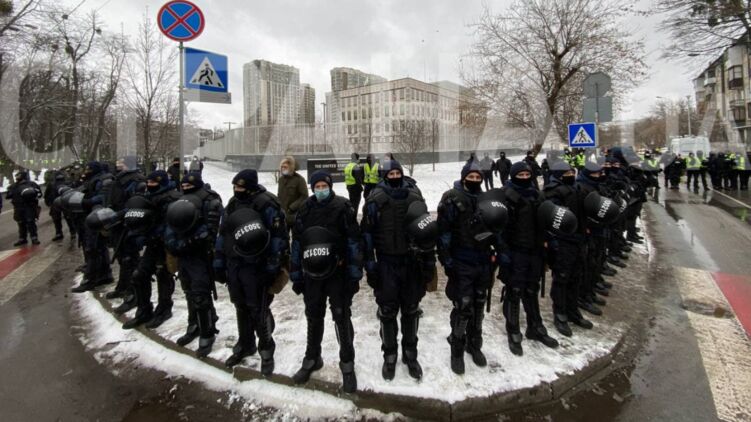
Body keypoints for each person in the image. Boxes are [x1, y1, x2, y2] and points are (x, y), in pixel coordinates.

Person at [361, 160, 436, 380]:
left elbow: (426, 230)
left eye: (397, 173)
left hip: (411, 262)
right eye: (391, 173)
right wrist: (370, 265)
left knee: (411, 310)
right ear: (385, 175)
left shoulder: (414, 196)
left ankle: (410, 354)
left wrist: (428, 261)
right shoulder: (375, 199)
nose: (395, 176)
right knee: (387, 311)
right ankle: (390, 354)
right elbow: (366, 235)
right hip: (386, 263)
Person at [289, 171, 362, 393]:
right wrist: (296, 274)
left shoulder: (343, 207)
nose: (321, 189)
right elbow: (297, 244)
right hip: (312, 274)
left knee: (341, 316)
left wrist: (354, 274)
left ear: (330, 186)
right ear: (312, 188)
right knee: (313, 315)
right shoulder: (305, 209)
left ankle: (347, 363)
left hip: (338, 273)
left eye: (324, 186)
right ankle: (312, 357)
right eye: (317, 186)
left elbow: (353, 242)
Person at [213, 169, 288, 375]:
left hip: (257, 266)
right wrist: (219, 262)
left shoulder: (267, 204)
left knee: (258, 308)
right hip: (234, 264)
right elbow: (223, 234)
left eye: (241, 187)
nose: (237, 190)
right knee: (240, 305)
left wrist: (272, 267)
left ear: (251, 187)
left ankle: (266, 348)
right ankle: (245, 344)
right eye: (235, 187)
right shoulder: (233, 204)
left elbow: (279, 238)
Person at [437, 160, 503, 374]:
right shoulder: (451, 198)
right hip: (461, 260)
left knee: (479, 303)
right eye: (471, 177)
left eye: (478, 177)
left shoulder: (486, 199)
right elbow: (444, 232)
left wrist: (499, 250)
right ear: (464, 177)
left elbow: (497, 228)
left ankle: (475, 345)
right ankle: (457, 348)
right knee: (464, 305)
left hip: (483, 260)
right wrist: (447, 260)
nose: (474, 180)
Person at [498, 162, 558, 356]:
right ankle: (513, 330)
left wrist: (549, 241)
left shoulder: (537, 195)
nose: (524, 178)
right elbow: (498, 227)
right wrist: (503, 251)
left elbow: (546, 221)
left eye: (527, 174)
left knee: (532, 289)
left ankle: (535, 326)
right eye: (520, 175)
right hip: (515, 252)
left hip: (535, 250)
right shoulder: (506, 195)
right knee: (514, 291)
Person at [165, 171, 223, 357]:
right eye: (184, 185)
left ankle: (207, 331)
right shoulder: (180, 200)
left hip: (200, 254)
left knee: (200, 293)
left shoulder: (210, 200)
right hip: (183, 253)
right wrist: (174, 244)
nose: (186, 188)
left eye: (189, 185)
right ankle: (194, 324)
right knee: (188, 290)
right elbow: (171, 224)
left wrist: (192, 241)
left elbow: (211, 230)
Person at [121, 170, 180, 329]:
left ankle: (164, 309)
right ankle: (144, 310)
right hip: (151, 244)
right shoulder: (147, 196)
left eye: (153, 183)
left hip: (164, 244)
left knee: (163, 276)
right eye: (148, 182)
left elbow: (171, 223)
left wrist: (155, 234)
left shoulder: (172, 199)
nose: (150, 185)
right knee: (139, 275)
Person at [543, 161, 593, 337]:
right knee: (562, 279)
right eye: (566, 173)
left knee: (576, 277)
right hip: (563, 242)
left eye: (572, 172)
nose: (570, 175)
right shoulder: (552, 192)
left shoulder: (579, 189)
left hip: (579, 240)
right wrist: (553, 241)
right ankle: (560, 314)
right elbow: (550, 219)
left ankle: (573, 311)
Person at [103, 156, 146, 306]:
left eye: (121, 163)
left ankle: (132, 292)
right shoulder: (120, 178)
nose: (118, 164)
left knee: (130, 259)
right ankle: (122, 287)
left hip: (128, 223)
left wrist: (121, 215)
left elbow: (137, 202)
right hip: (118, 223)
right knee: (122, 258)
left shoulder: (135, 180)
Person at [71, 162, 115, 292]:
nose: (86, 171)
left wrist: (87, 202)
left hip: (97, 215)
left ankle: (91, 279)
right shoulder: (92, 179)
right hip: (90, 215)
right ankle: (104, 275)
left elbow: (103, 197)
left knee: (93, 248)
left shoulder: (104, 180)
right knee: (97, 248)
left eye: (89, 169)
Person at [6, 171, 41, 246]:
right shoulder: (14, 186)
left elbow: (39, 193)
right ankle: (22, 238)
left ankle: (34, 238)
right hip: (18, 206)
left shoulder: (31, 184)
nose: (17, 177)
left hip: (29, 206)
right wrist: (10, 193)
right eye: (16, 175)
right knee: (20, 222)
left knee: (30, 221)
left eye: (18, 175)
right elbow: (8, 196)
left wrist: (33, 195)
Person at [277, 156, 308, 229]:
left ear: (291, 167)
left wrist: (292, 207)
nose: (283, 169)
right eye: (282, 167)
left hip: (295, 215)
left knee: (296, 234)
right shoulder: (281, 180)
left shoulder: (299, 179)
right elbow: (280, 195)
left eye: (285, 167)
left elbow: (304, 196)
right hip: (283, 215)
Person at [44, 170, 75, 242]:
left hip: (63, 203)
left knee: (66, 218)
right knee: (59, 219)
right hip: (57, 203)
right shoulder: (52, 185)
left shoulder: (66, 183)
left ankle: (69, 232)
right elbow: (47, 195)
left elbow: (46, 195)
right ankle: (64, 233)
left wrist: (48, 203)